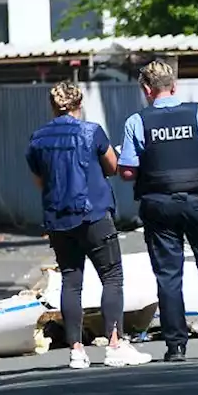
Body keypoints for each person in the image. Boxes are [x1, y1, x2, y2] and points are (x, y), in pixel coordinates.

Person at [118, 60, 198, 363]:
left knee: (168, 275)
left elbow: (127, 173)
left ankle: (176, 345)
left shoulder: (137, 121)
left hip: (159, 204)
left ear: (146, 90)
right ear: (174, 86)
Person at [26, 82, 153, 370]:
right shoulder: (91, 131)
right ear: (78, 105)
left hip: (58, 219)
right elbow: (113, 167)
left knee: (71, 281)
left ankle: (76, 350)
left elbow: (40, 181)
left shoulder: (38, 139)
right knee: (111, 276)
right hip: (93, 214)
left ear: (52, 106)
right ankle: (115, 343)